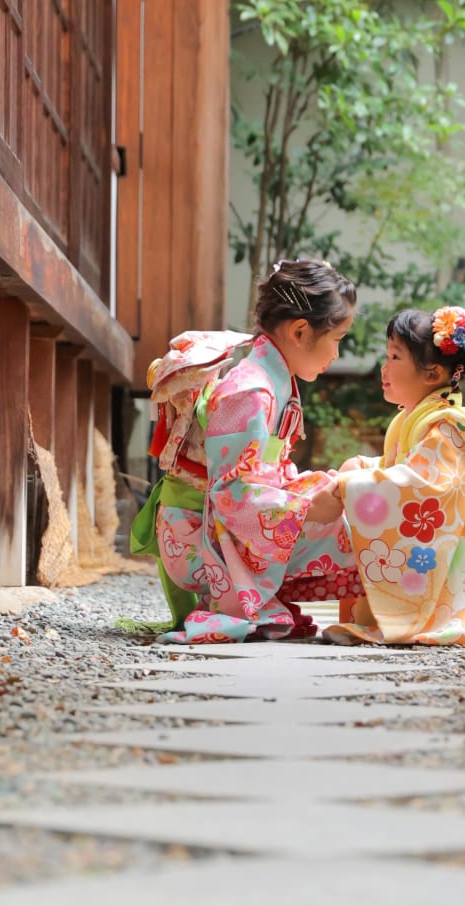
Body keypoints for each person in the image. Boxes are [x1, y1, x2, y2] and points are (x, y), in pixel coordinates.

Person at [131, 258, 362, 643]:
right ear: (301, 331)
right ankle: (371, 618)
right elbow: (230, 494)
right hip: (195, 535)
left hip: (225, 522)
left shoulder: (272, 380)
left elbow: (266, 471)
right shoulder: (249, 391)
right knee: (353, 528)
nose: (336, 354)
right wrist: (306, 508)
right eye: (337, 339)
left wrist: (320, 488)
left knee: (347, 503)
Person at [326, 304, 465, 646]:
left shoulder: (453, 427)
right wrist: (362, 468)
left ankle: (442, 617)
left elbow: (422, 487)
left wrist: (352, 485)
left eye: (396, 358)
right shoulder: (413, 419)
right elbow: (401, 467)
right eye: (387, 356)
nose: (384, 368)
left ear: (432, 375)